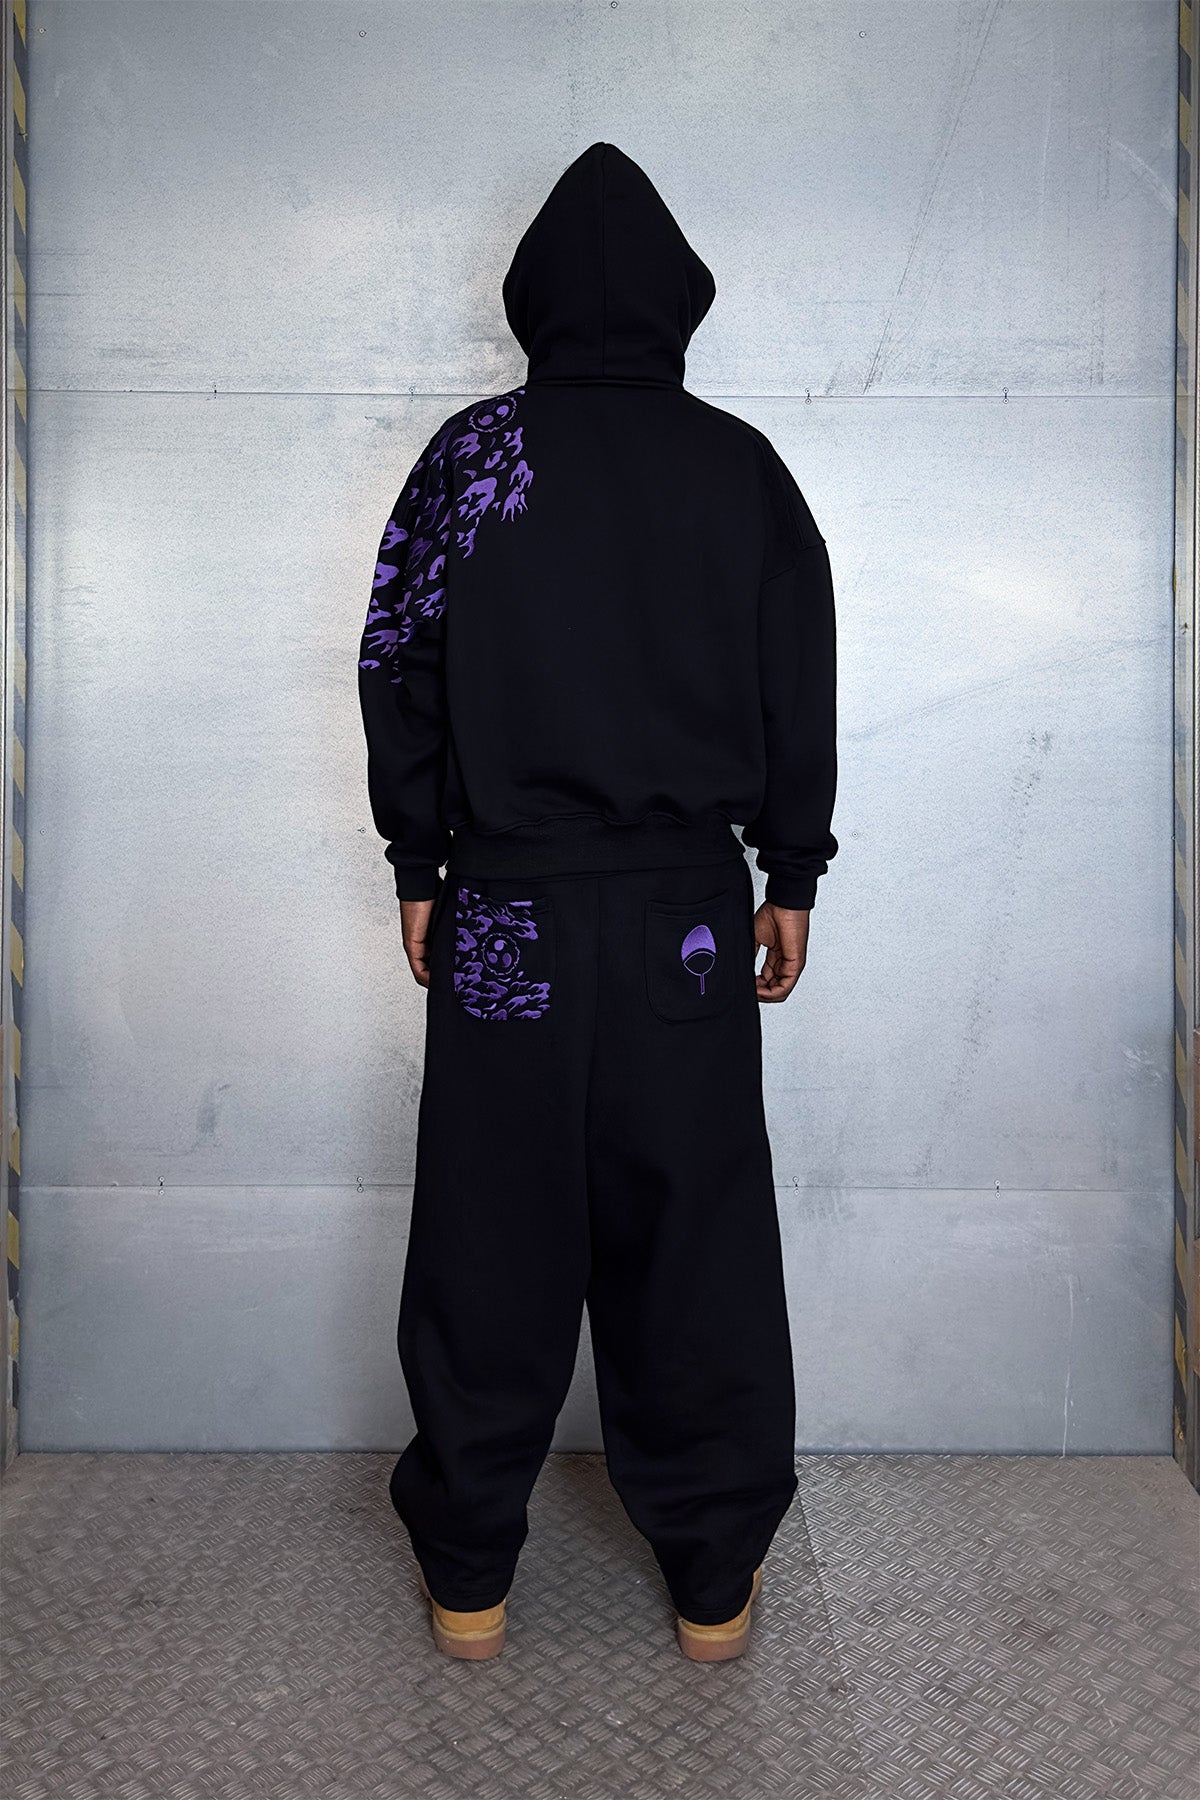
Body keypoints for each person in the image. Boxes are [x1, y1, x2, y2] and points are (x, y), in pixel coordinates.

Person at [357, 141, 838, 1662]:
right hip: (687, 918)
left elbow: (397, 666)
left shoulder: (468, 460)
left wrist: (420, 865)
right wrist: (791, 871)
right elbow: (800, 680)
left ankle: (469, 1581)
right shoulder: (742, 469)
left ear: (534, 300)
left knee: (488, 1230)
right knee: (693, 1234)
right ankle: (712, 1585)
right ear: (682, 299)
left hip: (505, 911)